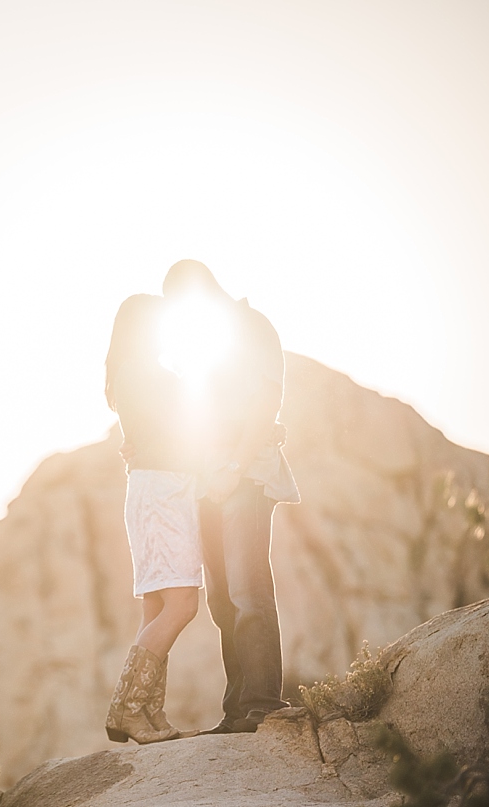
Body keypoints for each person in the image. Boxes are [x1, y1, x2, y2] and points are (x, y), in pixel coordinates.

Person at [160, 259, 300, 735]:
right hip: (205, 480)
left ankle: (264, 702)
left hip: (246, 474)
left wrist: (237, 466)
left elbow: (266, 402)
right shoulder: (201, 344)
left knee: (247, 588)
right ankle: (237, 709)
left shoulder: (253, 327)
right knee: (222, 601)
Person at [102, 293, 205, 744]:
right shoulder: (145, 373)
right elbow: (179, 432)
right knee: (182, 603)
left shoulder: (132, 373)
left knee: (158, 606)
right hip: (161, 490)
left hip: (155, 488)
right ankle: (128, 709)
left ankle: (146, 711)